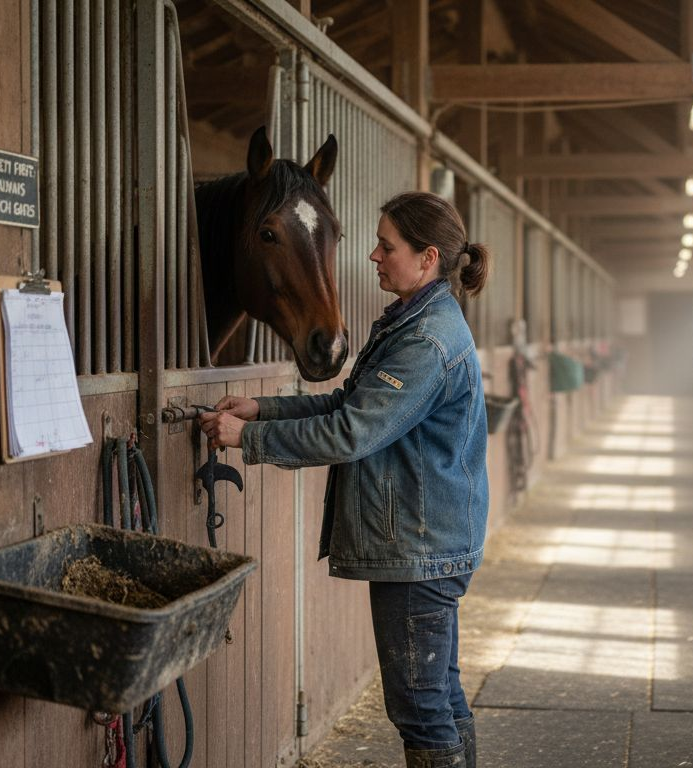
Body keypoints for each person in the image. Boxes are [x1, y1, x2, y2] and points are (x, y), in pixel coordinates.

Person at [199, 191, 491, 768]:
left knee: (420, 707)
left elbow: (351, 433)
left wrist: (247, 441)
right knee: (440, 695)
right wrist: (264, 409)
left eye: (387, 246)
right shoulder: (418, 319)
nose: (374, 256)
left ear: (427, 257)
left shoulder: (427, 341)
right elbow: (354, 402)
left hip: (420, 543)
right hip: (429, 537)